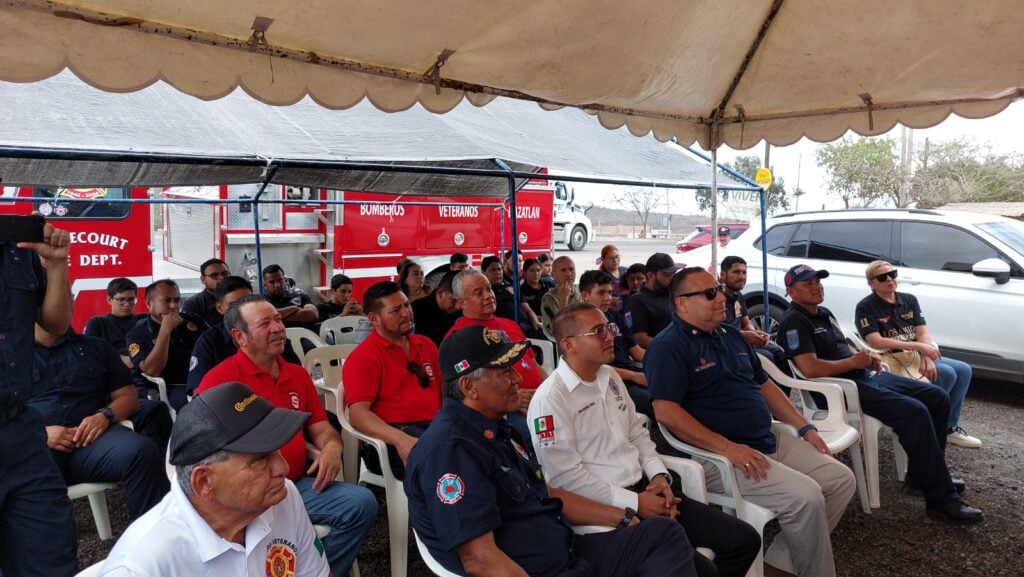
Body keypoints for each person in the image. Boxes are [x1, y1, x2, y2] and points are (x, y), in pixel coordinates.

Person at [405, 324, 698, 577]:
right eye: (505, 371)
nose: (518, 379)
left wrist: (620, 515)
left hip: (569, 551)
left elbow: (543, 492)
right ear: (469, 387)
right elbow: (480, 560)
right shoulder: (451, 451)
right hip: (544, 570)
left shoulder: (492, 429)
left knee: (665, 535)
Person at [648, 267, 857, 577]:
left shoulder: (730, 333)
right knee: (807, 497)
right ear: (682, 303)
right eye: (709, 294)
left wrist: (804, 426)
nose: (720, 297)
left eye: (718, 289)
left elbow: (765, 386)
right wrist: (728, 448)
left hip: (767, 437)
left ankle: (778, 565)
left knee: (841, 481)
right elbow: (666, 412)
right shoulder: (668, 347)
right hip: (721, 456)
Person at [531, 303, 761, 577]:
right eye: (598, 331)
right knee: (705, 572)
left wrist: (659, 478)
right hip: (603, 512)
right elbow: (567, 479)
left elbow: (637, 434)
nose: (610, 336)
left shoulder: (610, 377)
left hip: (647, 490)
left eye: (609, 327)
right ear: (568, 345)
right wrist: (636, 503)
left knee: (744, 540)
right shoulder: (551, 399)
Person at [777, 264, 983, 524]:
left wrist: (866, 359)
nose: (817, 286)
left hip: (864, 376)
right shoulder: (794, 321)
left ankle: (923, 475)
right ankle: (941, 499)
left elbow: (843, 350)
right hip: (840, 389)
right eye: (808, 284)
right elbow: (809, 368)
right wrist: (853, 364)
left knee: (937, 397)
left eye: (818, 281)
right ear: (791, 292)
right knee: (914, 411)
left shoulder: (824, 313)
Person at [197, 294, 378, 576]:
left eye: (279, 319)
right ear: (240, 337)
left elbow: (321, 428)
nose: (278, 327)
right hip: (248, 493)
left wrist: (331, 447)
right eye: (265, 323)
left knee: (361, 504)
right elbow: (210, 453)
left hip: (296, 486)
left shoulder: (296, 374)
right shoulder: (220, 382)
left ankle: (316, 570)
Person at [99, 382, 331, 577]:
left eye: (276, 451)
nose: (283, 468)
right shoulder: (142, 566)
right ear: (204, 482)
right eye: (260, 459)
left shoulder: (282, 495)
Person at [0, 218, 78, 577]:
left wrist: (58, 263)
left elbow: (55, 324)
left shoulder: (18, 248)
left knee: (50, 557)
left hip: (19, 430)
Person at [31, 323, 170, 520]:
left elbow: (128, 396)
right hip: (36, 447)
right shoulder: (10, 354)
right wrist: (40, 434)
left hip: (92, 442)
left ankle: (152, 536)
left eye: (67, 300)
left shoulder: (95, 347)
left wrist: (105, 415)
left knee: (141, 452)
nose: (65, 306)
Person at [855, 260, 980, 448]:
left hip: (915, 355)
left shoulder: (909, 299)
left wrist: (927, 356)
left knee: (963, 370)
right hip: (893, 359)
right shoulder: (866, 306)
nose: (890, 279)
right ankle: (926, 425)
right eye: (882, 277)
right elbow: (875, 341)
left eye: (893, 274)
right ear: (871, 283)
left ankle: (948, 427)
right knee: (946, 373)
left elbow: (922, 332)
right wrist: (920, 348)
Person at [345, 281, 442, 480]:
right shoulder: (364, 357)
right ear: (374, 318)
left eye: (406, 305)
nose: (406, 313)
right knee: (445, 464)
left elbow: (444, 392)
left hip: (435, 427)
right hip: (390, 437)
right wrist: (400, 440)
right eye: (396, 310)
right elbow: (357, 415)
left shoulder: (427, 345)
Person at [446, 270, 547, 448]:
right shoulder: (459, 339)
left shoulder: (509, 324)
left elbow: (534, 364)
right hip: (509, 411)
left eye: (489, 289)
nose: (488, 295)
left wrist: (549, 390)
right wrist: (512, 398)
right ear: (462, 302)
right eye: (478, 293)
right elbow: (466, 394)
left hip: (541, 399)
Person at [187, 275, 300, 393]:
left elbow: (297, 379)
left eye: (249, 302)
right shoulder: (208, 342)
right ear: (220, 308)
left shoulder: (273, 336)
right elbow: (199, 394)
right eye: (233, 306)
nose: (244, 310)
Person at [126, 279, 208, 411]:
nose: (174, 306)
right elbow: (152, 370)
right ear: (149, 303)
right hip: (175, 386)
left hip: (206, 379)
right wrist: (165, 331)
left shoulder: (193, 321)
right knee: (196, 410)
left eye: (177, 300)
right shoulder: (138, 334)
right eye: (167, 301)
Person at [577, 270, 650, 418]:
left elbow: (635, 351)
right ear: (585, 296)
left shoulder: (614, 315)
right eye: (601, 293)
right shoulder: (578, 325)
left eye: (609, 293)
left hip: (630, 372)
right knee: (658, 401)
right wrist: (634, 376)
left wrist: (662, 361)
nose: (607, 298)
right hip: (606, 383)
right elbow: (592, 368)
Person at [84, 277, 147, 366]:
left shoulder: (144, 320)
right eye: (121, 300)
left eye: (131, 299)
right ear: (109, 300)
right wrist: (121, 359)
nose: (127, 304)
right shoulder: (97, 323)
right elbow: (89, 352)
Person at [624, 252, 676, 348]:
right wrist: (671, 348)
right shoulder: (637, 301)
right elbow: (639, 338)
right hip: (657, 355)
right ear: (650, 275)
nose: (671, 278)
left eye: (673, 274)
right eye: (666, 275)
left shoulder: (671, 293)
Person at [411, 269, 463, 346]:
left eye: (462, 301)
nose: (459, 306)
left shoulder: (465, 308)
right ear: (440, 293)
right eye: (454, 300)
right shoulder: (416, 309)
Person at [262, 263, 319, 328]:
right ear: (265, 285)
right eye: (272, 282)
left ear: (285, 280)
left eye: (280, 280)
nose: (277, 285)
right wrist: (293, 308)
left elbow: (313, 314)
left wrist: (276, 317)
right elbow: (266, 316)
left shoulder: (299, 296)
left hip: (307, 336)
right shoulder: (262, 302)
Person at [181, 258, 230, 326]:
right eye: (214, 275)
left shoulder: (240, 298)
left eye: (224, 274)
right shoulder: (194, 304)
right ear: (203, 279)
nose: (221, 277)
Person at [540, 256, 581, 331]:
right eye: (563, 270)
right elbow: (558, 329)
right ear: (553, 275)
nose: (569, 273)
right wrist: (563, 298)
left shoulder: (581, 290)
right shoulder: (548, 298)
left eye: (571, 269)